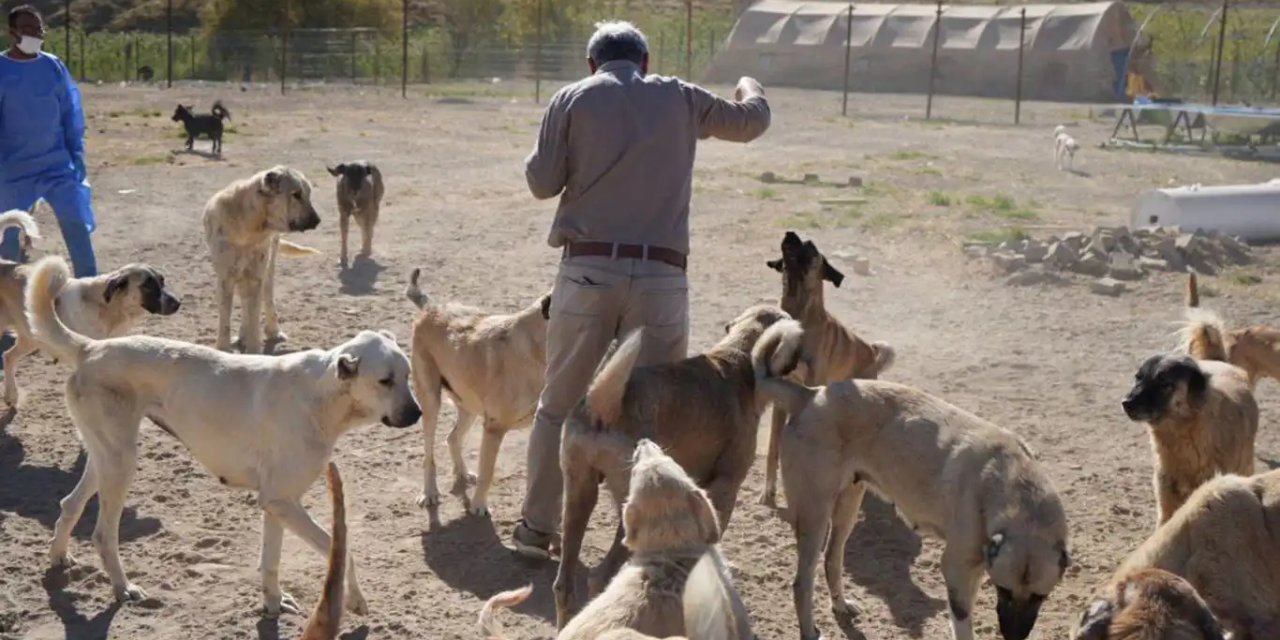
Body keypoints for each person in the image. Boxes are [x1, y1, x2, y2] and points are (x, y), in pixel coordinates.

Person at [512, 20, 771, 559]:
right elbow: (751, 123)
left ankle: (537, 528)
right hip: (660, 279)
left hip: (586, 273)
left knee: (559, 403)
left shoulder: (572, 98)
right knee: (653, 410)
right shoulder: (680, 96)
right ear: (646, 61)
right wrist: (750, 84)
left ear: (592, 64)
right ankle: (642, 533)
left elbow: (542, 184)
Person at [0, 4, 98, 370]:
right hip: (13, 171)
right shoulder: (1, 70)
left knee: (77, 229)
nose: (35, 34)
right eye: (28, 28)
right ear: (11, 32)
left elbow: (71, 111)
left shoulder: (53, 66)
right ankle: (8, 326)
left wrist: (76, 154)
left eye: (39, 28)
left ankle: (92, 303)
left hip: (57, 165)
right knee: (7, 244)